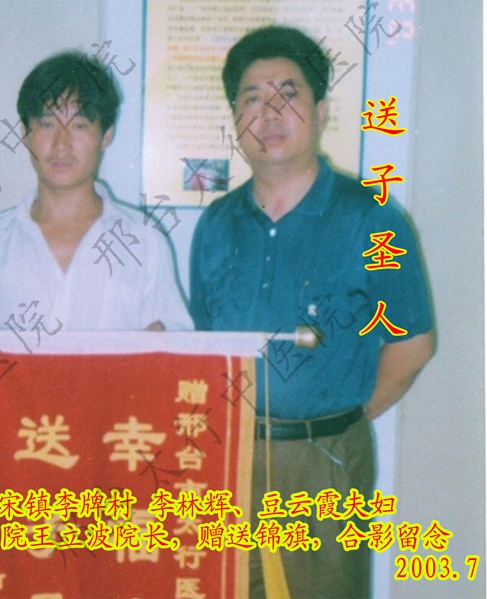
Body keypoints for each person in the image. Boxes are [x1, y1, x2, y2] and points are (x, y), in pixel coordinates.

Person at [189, 26, 434, 598]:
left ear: (321, 111)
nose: (269, 112)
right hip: (228, 460)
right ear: (235, 118)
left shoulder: (372, 219)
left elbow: (413, 344)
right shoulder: (216, 224)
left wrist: (336, 424)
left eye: (288, 93)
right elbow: (206, 344)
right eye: (252, 98)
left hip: (325, 463)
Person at [0, 50, 192, 332]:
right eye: (47, 124)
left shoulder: (144, 241)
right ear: (24, 133)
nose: (61, 143)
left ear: (106, 136)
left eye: (78, 125)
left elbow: (177, 342)